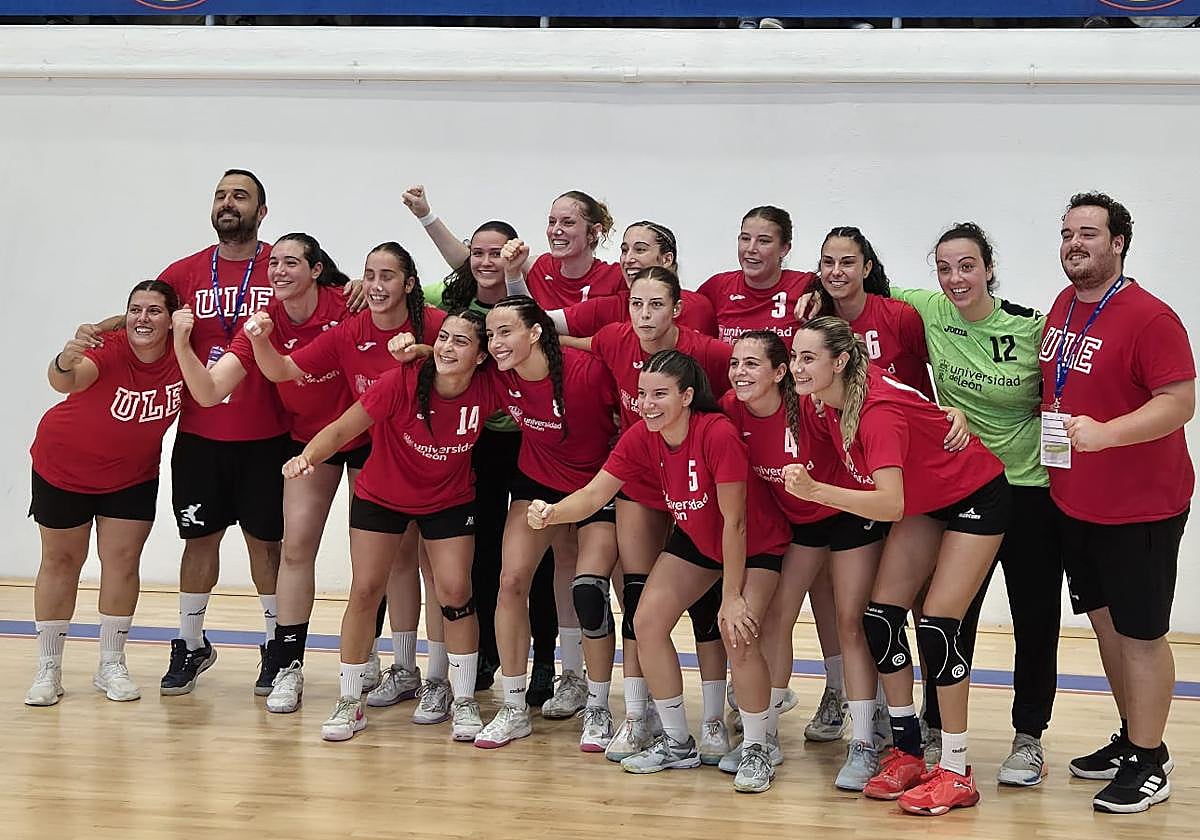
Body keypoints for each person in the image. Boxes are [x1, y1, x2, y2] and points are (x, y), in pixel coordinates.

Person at [528, 350, 790, 793]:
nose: (647, 403)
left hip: (754, 544)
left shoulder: (717, 433)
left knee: (738, 632)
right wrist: (552, 512)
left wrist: (731, 595)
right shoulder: (639, 437)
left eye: (660, 394)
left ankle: (758, 749)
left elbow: (736, 522)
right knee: (644, 622)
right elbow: (594, 496)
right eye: (642, 393)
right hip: (697, 540)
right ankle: (676, 742)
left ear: (687, 396)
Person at [785, 316, 1009, 816]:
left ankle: (956, 769)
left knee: (937, 627)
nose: (795, 367)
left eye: (807, 358)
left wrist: (817, 492)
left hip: (976, 495)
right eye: (794, 356)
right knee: (880, 620)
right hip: (926, 502)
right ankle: (907, 751)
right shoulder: (821, 400)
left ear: (840, 362)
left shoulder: (875, 413)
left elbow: (888, 504)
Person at [891, 222, 1063, 786]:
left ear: (988, 267)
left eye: (966, 266)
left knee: (1034, 617)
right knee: (947, 614)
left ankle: (1028, 737)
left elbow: (1064, 393)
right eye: (944, 268)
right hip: (965, 489)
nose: (955, 278)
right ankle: (937, 723)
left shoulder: (1030, 327)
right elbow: (865, 290)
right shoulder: (929, 309)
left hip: (1030, 492)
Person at [1040, 192, 1193, 814]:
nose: (1075, 244)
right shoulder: (1063, 306)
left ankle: (1152, 760)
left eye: (1089, 234)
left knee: (1142, 636)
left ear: (1119, 242)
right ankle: (1134, 739)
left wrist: (1108, 433)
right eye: (1067, 233)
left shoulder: (1151, 318)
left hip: (1141, 509)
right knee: (1107, 628)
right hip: (1077, 503)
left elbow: (1179, 401)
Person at [281, 310, 500, 742]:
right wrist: (307, 456)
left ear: (480, 356)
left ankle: (463, 701)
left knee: (455, 591)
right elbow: (343, 427)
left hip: (449, 500)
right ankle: (348, 703)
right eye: (444, 338)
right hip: (381, 496)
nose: (447, 347)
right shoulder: (400, 382)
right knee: (365, 589)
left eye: (461, 342)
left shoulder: (489, 388)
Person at [250, 241, 447, 714]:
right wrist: (260, 337)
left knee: (404, 558)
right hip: (338, 439)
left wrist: (423, 350)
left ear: (409, 284)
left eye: (387, 276)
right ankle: (288, 666)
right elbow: (282, 369)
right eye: (369, 275)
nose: (377, 286)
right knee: (296, 545)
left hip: (401, 458)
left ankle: (406, 668)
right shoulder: (349, 331)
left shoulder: (434, 325)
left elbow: (474, 356)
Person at [170, 233, 363, 714]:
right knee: (294, 548)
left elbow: (403, 311)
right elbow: (214, 389)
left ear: (317, 269)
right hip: (303, 443)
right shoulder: (262, 322)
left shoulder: (349, 303)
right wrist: (178, 341)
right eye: (273, 263)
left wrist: (372, 286)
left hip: (363, 437)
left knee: (381, 559)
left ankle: (374, 662)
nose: (276, 270)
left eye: (290, 263)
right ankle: (285, 663)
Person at [401, 185, 564, 705]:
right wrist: (352, 286)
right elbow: (406, 291)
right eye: (480, 253)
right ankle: (490, 653)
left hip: (531, 444)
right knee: (486, 554)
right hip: (475, 448)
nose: (488, 261)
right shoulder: (452, 301)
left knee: (534, 559)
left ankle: (545, 660)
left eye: (500, 252)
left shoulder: (530, 300)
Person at [718, 330, 891, 789]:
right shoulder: (731, 410)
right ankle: (766, 735)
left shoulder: (813, 408)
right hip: (801, 526)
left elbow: (872, 404)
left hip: (850, 514)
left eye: (752, 364)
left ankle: (865, 742)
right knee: (775, 620)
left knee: (851, 622)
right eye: (736, 364)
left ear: (780, 372)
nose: (740, 373)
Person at [578, 266, 735, 760]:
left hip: (699, 484)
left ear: (676, 309)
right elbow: (545, 336)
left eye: (656, 305)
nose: (644, 315)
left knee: (706, 603)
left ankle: (713, 719)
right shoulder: (611, 340)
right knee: (640, 598)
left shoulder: (706, 352)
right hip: (643, 482)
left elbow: (766, 369)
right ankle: (639, 716)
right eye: (636, 304)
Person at [25, 281, 184, 706]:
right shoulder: (109, 349)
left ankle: (111, 664)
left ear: (172, 319)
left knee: (122, 562)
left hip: (131, 476)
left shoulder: (182, 354)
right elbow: (66, 381)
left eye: (153, 310)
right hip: (63, 466)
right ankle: (49, 668)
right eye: (135, 310)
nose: (142, 318)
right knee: (61, 561)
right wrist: (64, 360)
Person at [472, 296, 620, 749]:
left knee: (589, 590)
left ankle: (598, 705)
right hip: (537, 484)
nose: (496, 344)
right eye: (491, 334)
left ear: (535, 333)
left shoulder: (585, 372)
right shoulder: (500, 377)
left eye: (506, 332)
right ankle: (515, 708)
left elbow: (627, 417)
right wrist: (419, 351)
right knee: (511, 580)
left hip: (599, 486)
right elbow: (447, 369)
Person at [519, 221, 717, 337]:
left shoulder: (699, 306)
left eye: (640, 250)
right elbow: (539, 319)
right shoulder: (615, 304)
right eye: (624, 250)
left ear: (667, 259)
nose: (628, 259)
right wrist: (512, 274)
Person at [696, 206, 815, 345]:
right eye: (745, 239)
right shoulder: (718, 286)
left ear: (784, 249)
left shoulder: (806, 285)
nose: (751, 249)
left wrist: (821, 294)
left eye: (763, 241)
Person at [502, 190, 625, 309]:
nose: (555, 230)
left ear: (594, 232)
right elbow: (518, 321)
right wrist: (512, 273)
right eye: (552, 222)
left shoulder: (617, 277)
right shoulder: (531, 267)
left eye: (568, 223)